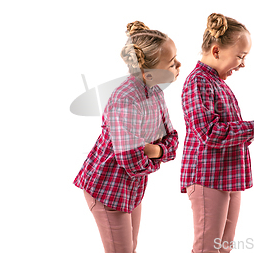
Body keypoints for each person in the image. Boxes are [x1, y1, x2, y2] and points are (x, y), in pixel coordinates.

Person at [74, 21, 181, 253]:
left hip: (132, 188)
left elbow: (172, 139)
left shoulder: (154, 92)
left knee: (129, 248)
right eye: (172, 62)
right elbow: (130, 160)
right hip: (108, 188)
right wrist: (158, 155)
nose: (179, 65)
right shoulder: (126, 99)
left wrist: (155, 151)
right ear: (148, 69)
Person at [180, 13, 254, 253]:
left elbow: (227, 134)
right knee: (208, 247)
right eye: (240, 56)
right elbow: (210, 133)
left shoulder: (218, 84)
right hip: (208, 179)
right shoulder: (198, 82)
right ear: (216, 51)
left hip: (228, 177)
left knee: (223, 247)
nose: (243, 63)